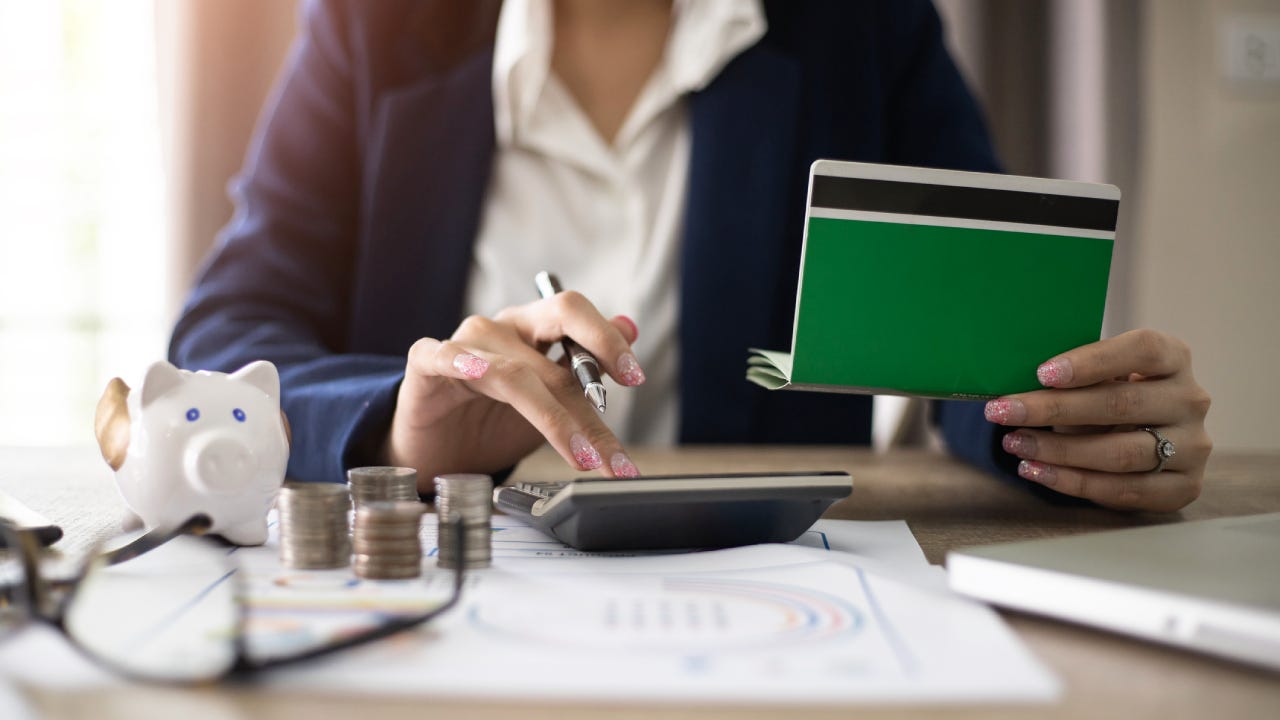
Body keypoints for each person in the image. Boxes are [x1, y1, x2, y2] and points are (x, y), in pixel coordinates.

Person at [170, 0, 1211, 512]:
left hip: (770, 597)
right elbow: (226, 334)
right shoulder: (373, 25)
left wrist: (1071, 437)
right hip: (443, 577)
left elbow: (959, 343)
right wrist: (395, 428)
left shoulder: (862, 27)